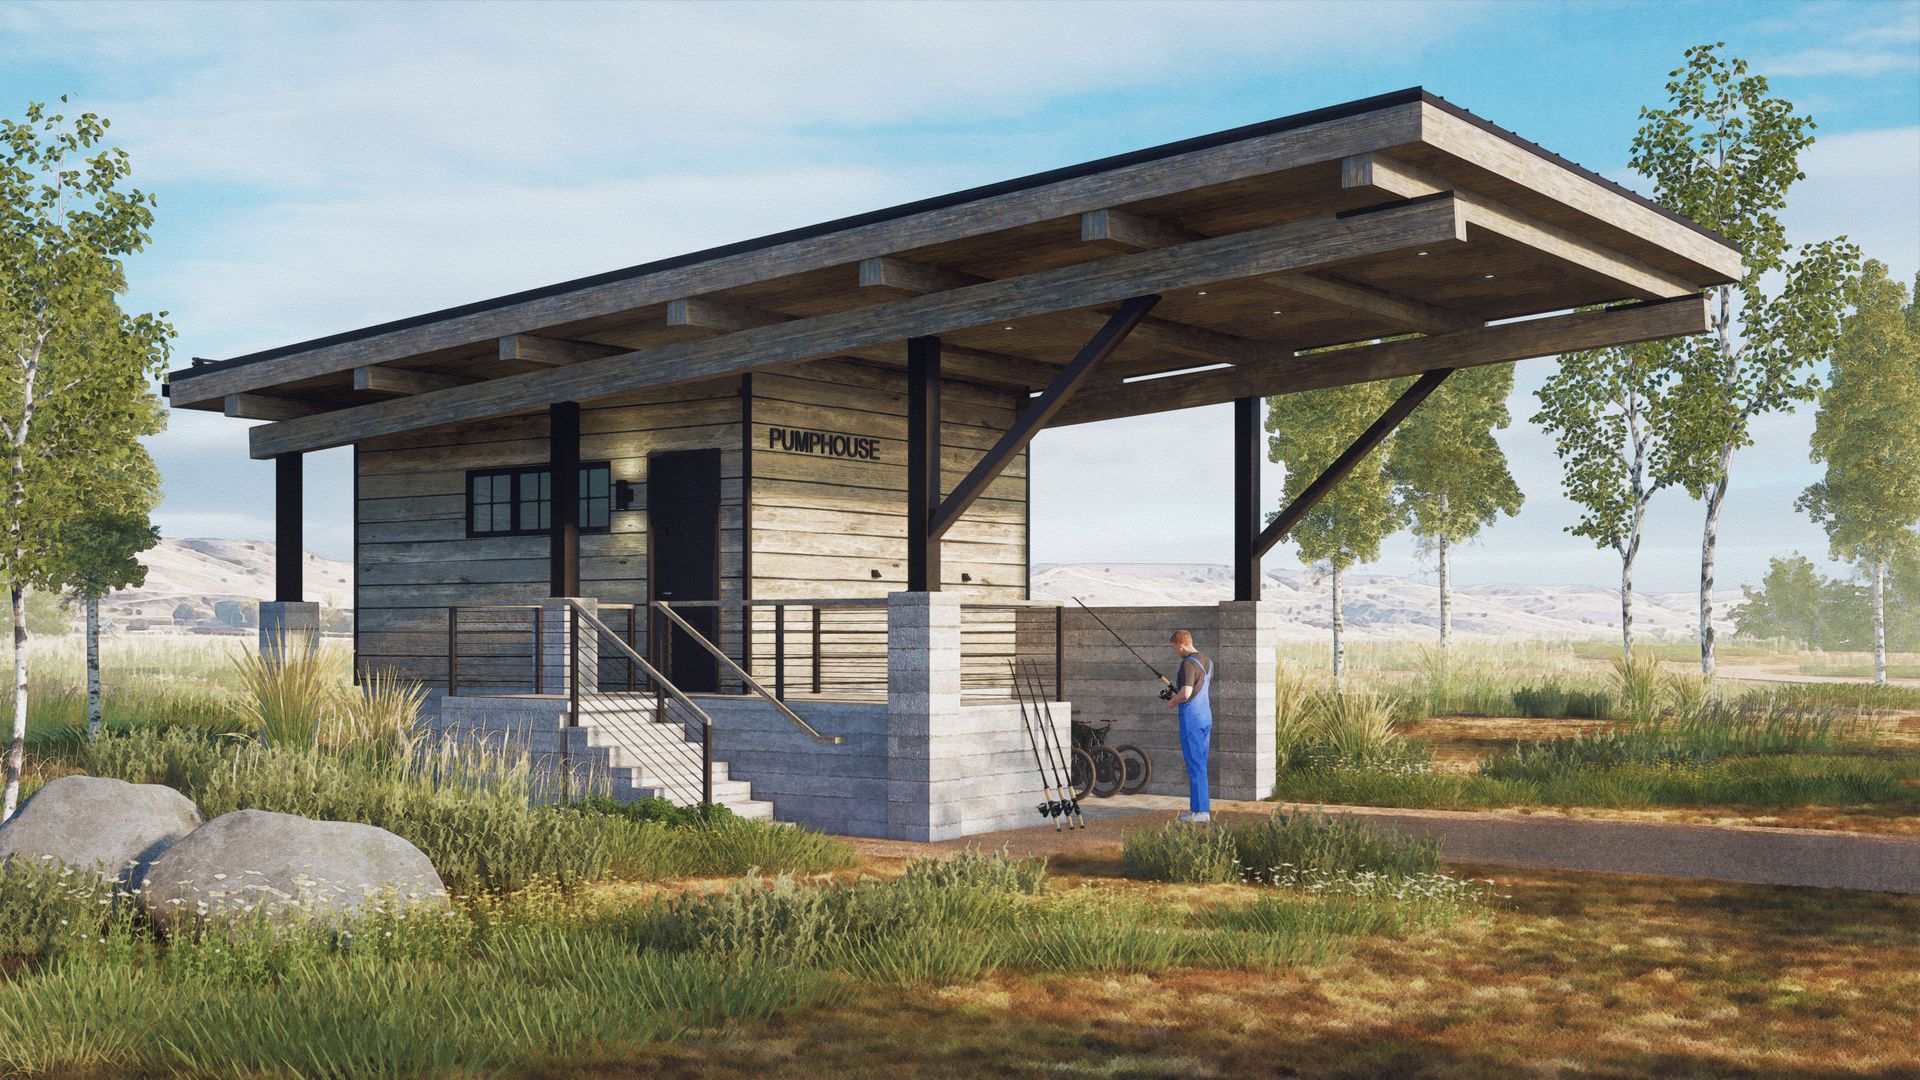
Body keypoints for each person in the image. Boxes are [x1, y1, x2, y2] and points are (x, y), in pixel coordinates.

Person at [1165, 629, 1213, 823]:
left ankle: (1201, 812)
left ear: (1181, 644)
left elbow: (1185, 694)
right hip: (1205, 717)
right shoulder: (1208, 661)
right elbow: (1199, 689)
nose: (1175, 651)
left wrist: (1172, 701)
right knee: (1200, 763)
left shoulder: (1187, 664)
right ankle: (1198, 809)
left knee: (1195, 765)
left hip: (1191, 719)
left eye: (1175, 647)